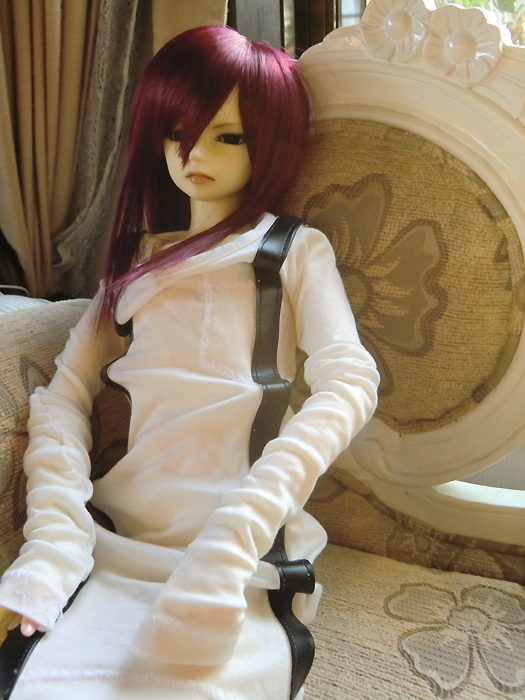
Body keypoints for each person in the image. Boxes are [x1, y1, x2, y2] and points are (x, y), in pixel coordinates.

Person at [0, 25, 379, 700]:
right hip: (114, 541)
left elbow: (349, 381)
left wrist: (236, 534)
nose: (193, 153)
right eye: (176, 132)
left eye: (227, 136)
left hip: (242, 556)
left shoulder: (292, 251)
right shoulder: (137, 261)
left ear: (269, 142)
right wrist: (53, 543)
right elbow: (62, 395)